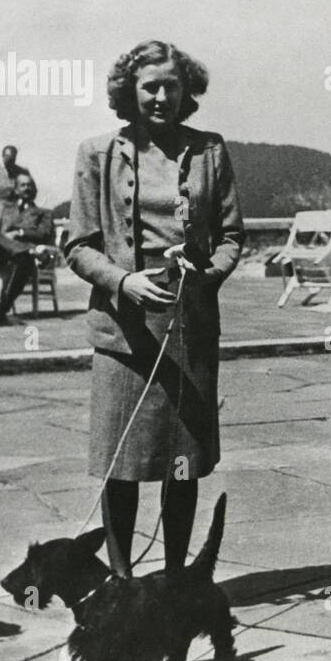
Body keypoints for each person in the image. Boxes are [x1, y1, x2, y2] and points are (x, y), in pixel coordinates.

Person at [64, 39, 243, 577]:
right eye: (150, 87)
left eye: (172, 86)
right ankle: (121, 583)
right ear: (130, 91)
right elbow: (78, 246)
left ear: (187, 91)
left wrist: (204, 277)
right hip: (123, 334)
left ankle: (174, 582)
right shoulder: (97, 153)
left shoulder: (210, 151)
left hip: (189, 329)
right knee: (121, 466)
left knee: (181, 465)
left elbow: (231, 237)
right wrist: (124, 282)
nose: (162, 97)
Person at [0, 173, 56, 325]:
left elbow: (44, 233)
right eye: (23, 185)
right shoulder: (5, 211)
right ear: (15, 189)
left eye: (29, 185)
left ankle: (0, 311)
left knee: (21, 261)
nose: (27, 188)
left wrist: (20, 232)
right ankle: (23, 250)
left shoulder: (44, 213)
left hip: (24, 258)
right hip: (3, 255)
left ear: (34, 190)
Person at [0, 145, 29, 214]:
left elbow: (31, 191)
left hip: (18, 211)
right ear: (3, 156)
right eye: (8, 158)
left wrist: (24, 203)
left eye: (13, 159)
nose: (11, 161)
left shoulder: (22, 171)